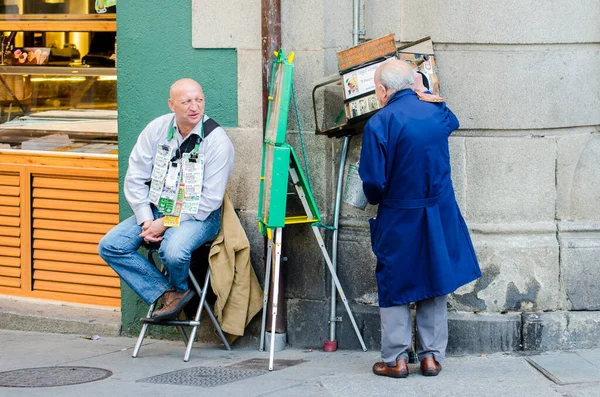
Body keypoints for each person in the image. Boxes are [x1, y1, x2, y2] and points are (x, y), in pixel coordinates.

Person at [359, 60, 481, 378]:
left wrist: (376, 198)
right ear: (412, 85)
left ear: (384, 90)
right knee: (434, 277)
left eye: (377, 89)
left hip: (399, 213)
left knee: (396, 281)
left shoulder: (379, 122)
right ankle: (431, 357)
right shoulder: (437, 112)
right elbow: (451, 120)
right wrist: (426, 92)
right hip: (438, 212)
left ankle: (396, 359)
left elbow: (372, 182)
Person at [99, 78, 234, 321]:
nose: (195, 107)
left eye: (199, 100)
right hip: (156, 209)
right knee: (111, 245)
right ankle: (171, 293)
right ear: (171, 104)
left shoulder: (217, 141)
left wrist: (165, 223)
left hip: (198, 216)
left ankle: (177, 294)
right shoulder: (156, 129)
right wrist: (146, 220)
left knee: (172, 251)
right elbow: (135, 177)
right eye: (186, 101)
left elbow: (210, 201)